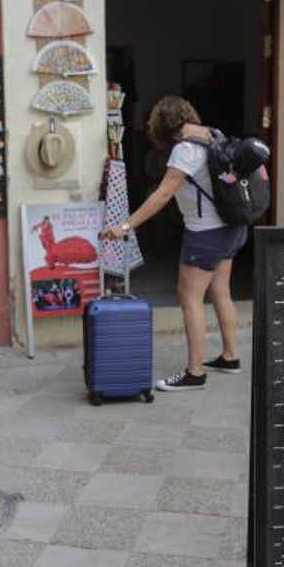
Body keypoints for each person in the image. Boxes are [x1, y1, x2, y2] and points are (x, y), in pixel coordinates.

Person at [101, 95, 246, 392]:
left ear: (161, 124)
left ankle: (195, 373)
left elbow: (163, 195)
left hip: (206, 234)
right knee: (221, 292)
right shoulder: (214, 135)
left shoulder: (185, 150)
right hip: (233, 227)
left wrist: (125, 226)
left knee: (189, 299)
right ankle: (230, 356)